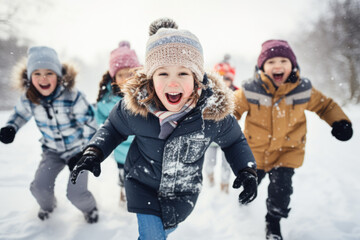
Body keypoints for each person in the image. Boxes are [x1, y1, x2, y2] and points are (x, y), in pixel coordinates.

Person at [71, 18, 258, 239]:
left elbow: (234, 141)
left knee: (163, 232)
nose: (172, 83)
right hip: (142, 183)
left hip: (184, 191)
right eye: (163, 74)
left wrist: (246, 170)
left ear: (197, 79)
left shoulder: (211, 114)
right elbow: (113, 128)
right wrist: (95, 151)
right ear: (150, 77)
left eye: (183, 73)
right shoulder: (136, 107)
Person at [233, 39, 353, 240]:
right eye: (271, 62)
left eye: (283, 61)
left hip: (287, 152)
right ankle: (243, 202)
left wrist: (340, 122)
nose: (277, 66)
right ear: (262, 66)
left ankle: (273, 222)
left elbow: (326, 106)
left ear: (293, 65)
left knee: (281, 192)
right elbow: (232, 110)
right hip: (256, 152)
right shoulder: (250, 89)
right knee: (252, 184)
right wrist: (218, 127)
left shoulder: (303, 89)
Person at [0, 46, 99, 223]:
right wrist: (11, 127)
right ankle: (49, 206)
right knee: (39, 187)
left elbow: (90, 124)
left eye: (49, 73)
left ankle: (90, 209)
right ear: (30, 77)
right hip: (52, 152)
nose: (43, 78)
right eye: (37, 73)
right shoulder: (29, 98)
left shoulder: (72, 96)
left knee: (76, 194)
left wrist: (83, 152)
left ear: (59, 76)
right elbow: (20, 114)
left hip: (78, 152)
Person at [95, 41, 141, 205]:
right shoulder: (107, 99)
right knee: (123, 172)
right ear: (113, 77)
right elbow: (99, 117)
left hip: (140, 147)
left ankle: (139, 196)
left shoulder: (144, 95)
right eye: (120, 75)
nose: (125, 79)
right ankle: (123, 192)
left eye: (130, 74)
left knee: (140, 175)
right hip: (120, 149)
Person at [204, 54, 238, 193]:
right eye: (220, 78)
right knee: (210, 163)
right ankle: (210, 178)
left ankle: (224, 185)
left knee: (226, 164)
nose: (223, 82)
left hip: (228, 139)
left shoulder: (237, 94)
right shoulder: (209, 94)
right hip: (212, 139)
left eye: (226, 79)